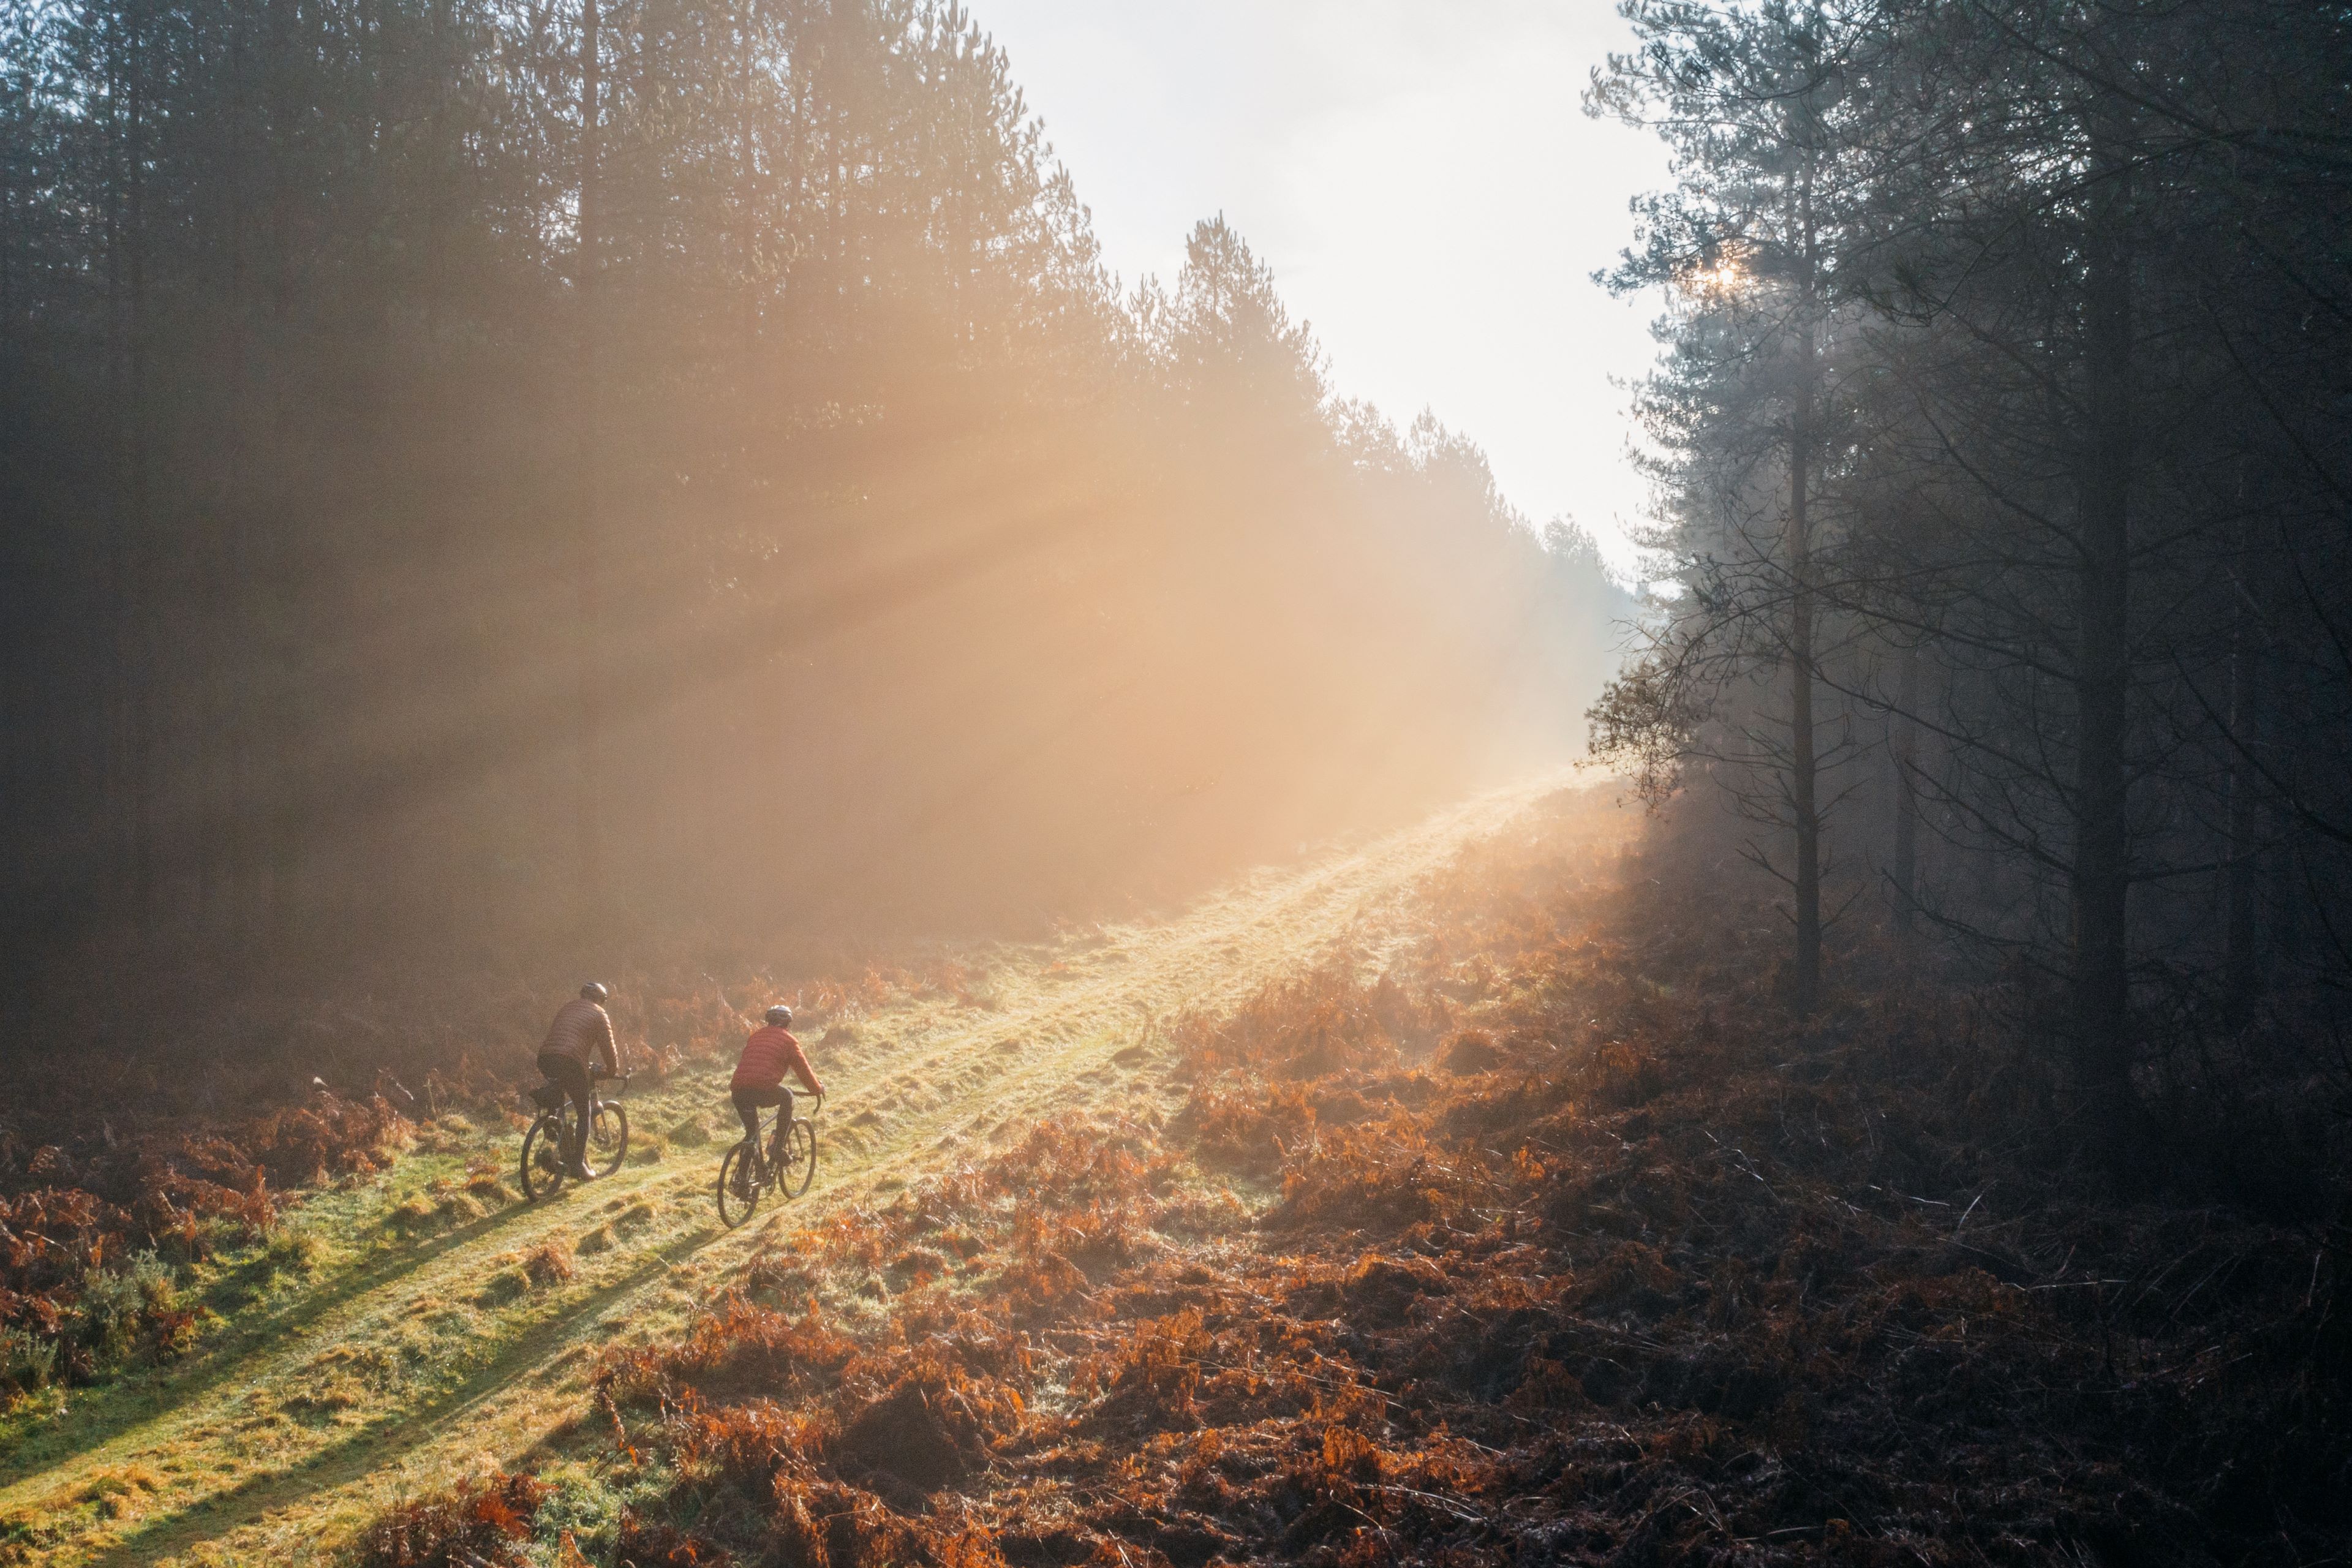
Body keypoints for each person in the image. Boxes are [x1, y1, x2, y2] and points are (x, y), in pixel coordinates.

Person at [730, 1005, 823, 1185]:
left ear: (768, 1021)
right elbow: (803, 1070)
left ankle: (741, 1179)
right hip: (762, 1088)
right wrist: (817, 1088)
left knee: (752, 1134)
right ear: (788, 1023)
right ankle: (777, 1148)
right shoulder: (789, 1041)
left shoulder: (755, 1036)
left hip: (739, 1090)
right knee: (787, 1096)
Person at [539, 982, 620, 1181]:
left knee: (558, 1095)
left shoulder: (568, 1007)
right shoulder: (599, 1014)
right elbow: (608, 1049)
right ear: (601, 1000)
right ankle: (578, 1166)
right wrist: (611, 1071)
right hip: (571, 1060)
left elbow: (563, 1036)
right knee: (585, 1112)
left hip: (546, 1057)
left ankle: (553, 1127)